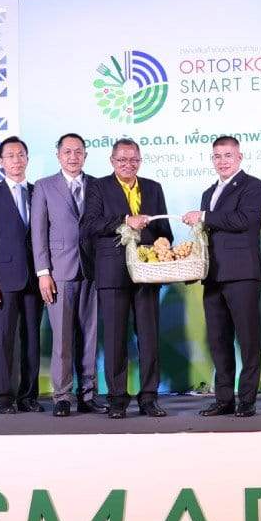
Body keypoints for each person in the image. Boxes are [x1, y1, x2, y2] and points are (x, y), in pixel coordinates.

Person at [80, 138, 171, 419]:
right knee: (115, 339)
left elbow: (164, 230)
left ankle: (149, 398)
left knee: (149, 338)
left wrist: (165, 243)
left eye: (133, 160)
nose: (128, 165)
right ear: (112, 161)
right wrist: (124, 220)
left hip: (148, 272)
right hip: (112, 271)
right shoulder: (98, 187)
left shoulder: (153, 187)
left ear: (140, 161)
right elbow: (89, 225)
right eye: (122, 160)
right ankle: (117, 399)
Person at [184, 135, 261, 418]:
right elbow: (205, 235)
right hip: (213, 276)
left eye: (228, 155)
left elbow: (244, 220)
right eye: (217, 156)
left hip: (242, 274)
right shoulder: (208, 192)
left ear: (239, 157)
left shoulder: (253, 186)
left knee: (248, 341)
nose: (222, 161)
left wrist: (204, 216)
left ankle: (247, 400)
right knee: (218, 342)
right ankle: (224, 399)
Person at [31, 132, 104, 417]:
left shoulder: (98, 185)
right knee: (62, 338)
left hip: (92, 270)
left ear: (85, 155)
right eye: (68, 152)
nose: (73, 157)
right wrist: (43, 272)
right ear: (58, 155)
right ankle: (62, 396)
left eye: (78, 152)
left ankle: (88, 394)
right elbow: (38, 232)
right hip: (59, 272)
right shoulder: (44, 186)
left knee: (90, 336)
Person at [0, 136, 43, 415]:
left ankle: (28, 396)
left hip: (36, 278)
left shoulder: (38, 191)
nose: (16, 160)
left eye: (21, 155)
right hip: (3, 280)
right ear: (1, 161)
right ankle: (3, 396)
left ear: (27, 158)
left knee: (32, 339)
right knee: (4, 339)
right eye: (10, 156)